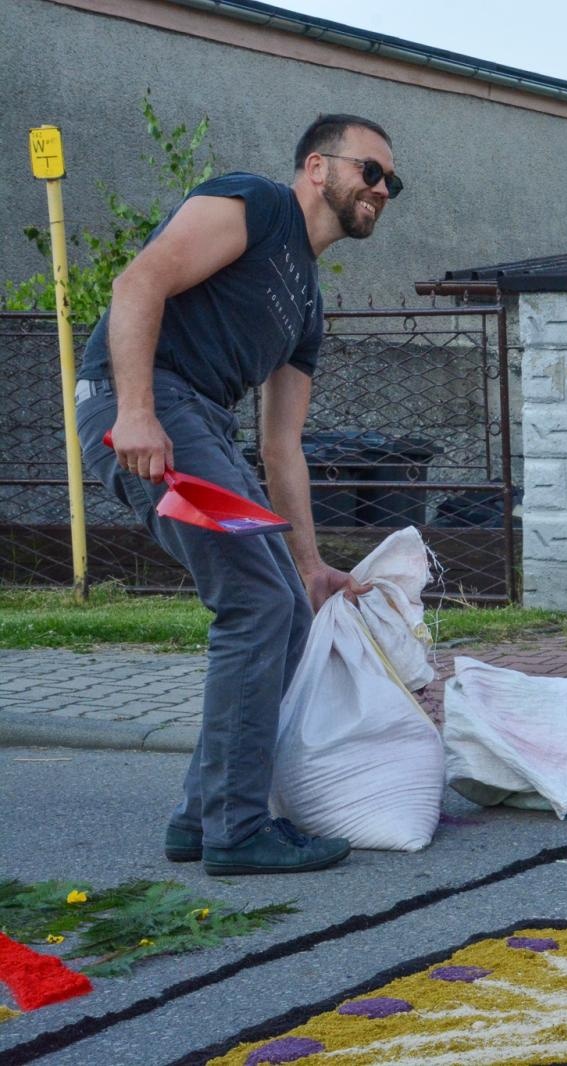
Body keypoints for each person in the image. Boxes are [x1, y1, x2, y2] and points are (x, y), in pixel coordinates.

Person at [73, 114, 403, 875]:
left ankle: (201, 817)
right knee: (255, 603)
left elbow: (281, 446)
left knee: (284, 600)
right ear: (317, 168)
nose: (381, 190)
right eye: (370, 170)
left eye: (392, 182)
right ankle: (236, 829)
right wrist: (136, 412)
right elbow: (140, 280)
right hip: (150, 403)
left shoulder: (308, 306)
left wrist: (312, 564)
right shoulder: (257, 204)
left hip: (202, 426)